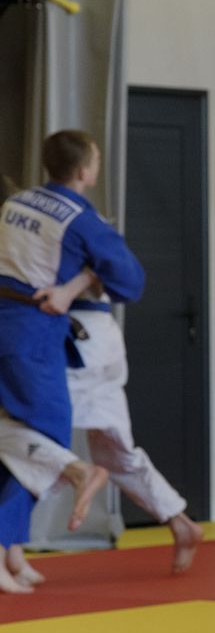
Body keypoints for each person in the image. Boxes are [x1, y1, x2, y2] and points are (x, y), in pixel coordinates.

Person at [0, 130, 142, 592]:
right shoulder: (81, 219)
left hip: (8, 323)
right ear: (85, 171)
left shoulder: (16, 202)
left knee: (14, 436)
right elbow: (130, 281)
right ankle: (6, 541)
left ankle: (13, 551)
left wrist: (74, 280)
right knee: (41, 441)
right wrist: (85, 277)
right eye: (95, 160)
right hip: (32, 335)